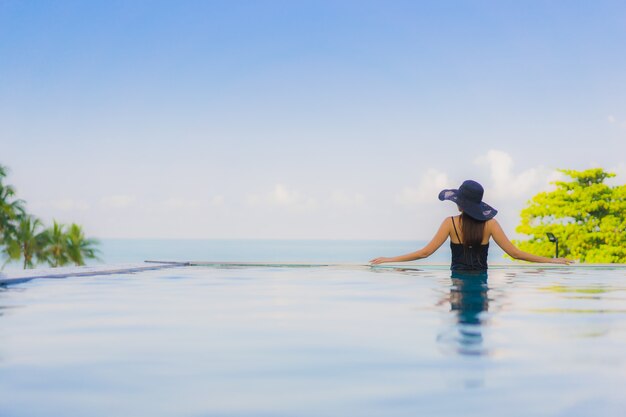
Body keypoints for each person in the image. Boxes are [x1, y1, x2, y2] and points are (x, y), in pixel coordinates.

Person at [370, 180, 573, 269]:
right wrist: (552, 261)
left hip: (456, 283)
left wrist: (388, 260)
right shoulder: (491, 225)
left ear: (460, 203)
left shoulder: (449, 223)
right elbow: (516, 254)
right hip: (482, 284)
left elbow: (425, 253)